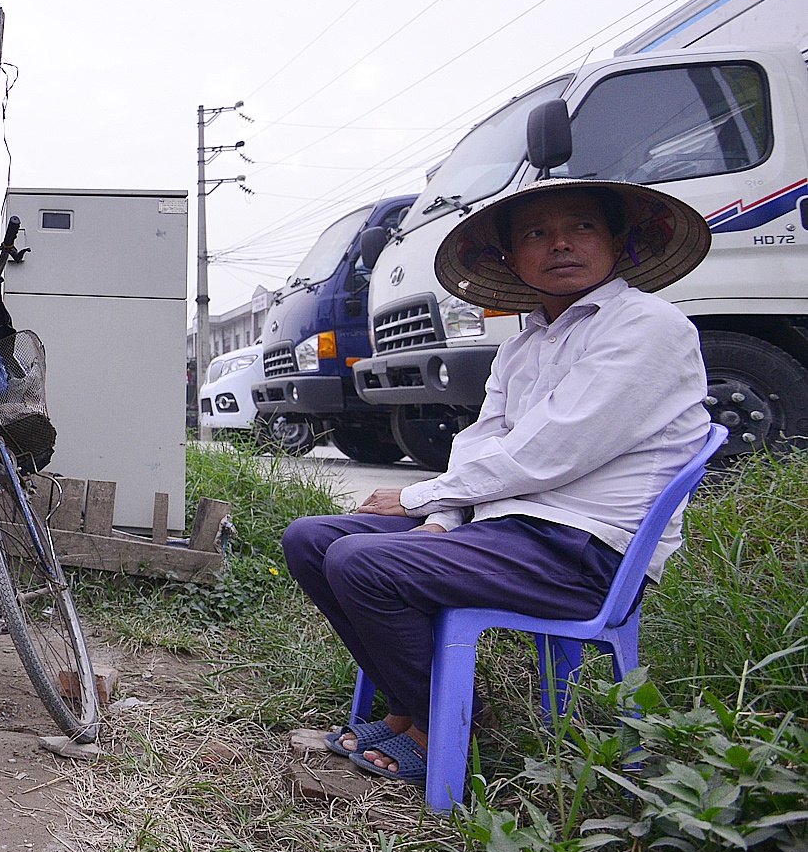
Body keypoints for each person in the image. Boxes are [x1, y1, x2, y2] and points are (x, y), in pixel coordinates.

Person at [282, 176, 713, 785]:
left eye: (582, 226)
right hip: (507, 529)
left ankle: (446, 724)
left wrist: (419, 497)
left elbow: (553, 450)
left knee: (361, 562)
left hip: (586, 553)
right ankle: (410, 707)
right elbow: (481, 443)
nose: (560, 244)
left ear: (617, 241)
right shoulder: (523, 345)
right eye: (536, 234)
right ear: (510, 258)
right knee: (310, 539)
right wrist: (441, 517)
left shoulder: (647, 326)